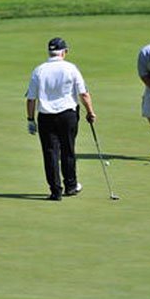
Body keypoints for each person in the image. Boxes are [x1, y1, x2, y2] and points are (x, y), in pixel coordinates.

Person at [26, 37, 97, 201]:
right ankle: (71, 186)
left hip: (45, 117)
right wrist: (90, 112)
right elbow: (84, 93)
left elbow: (31, 99)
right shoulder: (71, 68)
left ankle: (55, 191)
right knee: (68, 150)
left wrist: (30, 119)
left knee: (50, 153)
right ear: (64, 52)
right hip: (68, 115)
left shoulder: (39, 70)